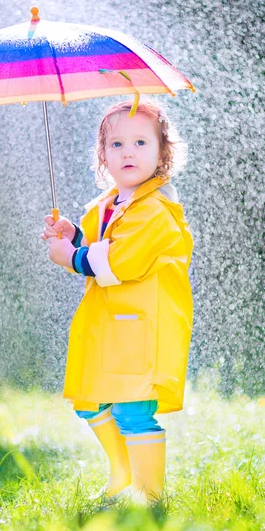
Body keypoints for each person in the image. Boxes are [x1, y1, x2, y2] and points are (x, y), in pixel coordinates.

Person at [40, 99, 194, 506]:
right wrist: (72, 235)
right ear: (103, 155)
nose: (128, 152)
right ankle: (122, 471)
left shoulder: (156, 210)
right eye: (116, 144)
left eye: (141, 142)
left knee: (132, 411)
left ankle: (150, 495)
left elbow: (119, 261)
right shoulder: (110, 203)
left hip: (143, 325)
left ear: (163, 154)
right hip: (110, 325)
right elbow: (97, 243)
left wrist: (71, 258)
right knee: (89, 399)